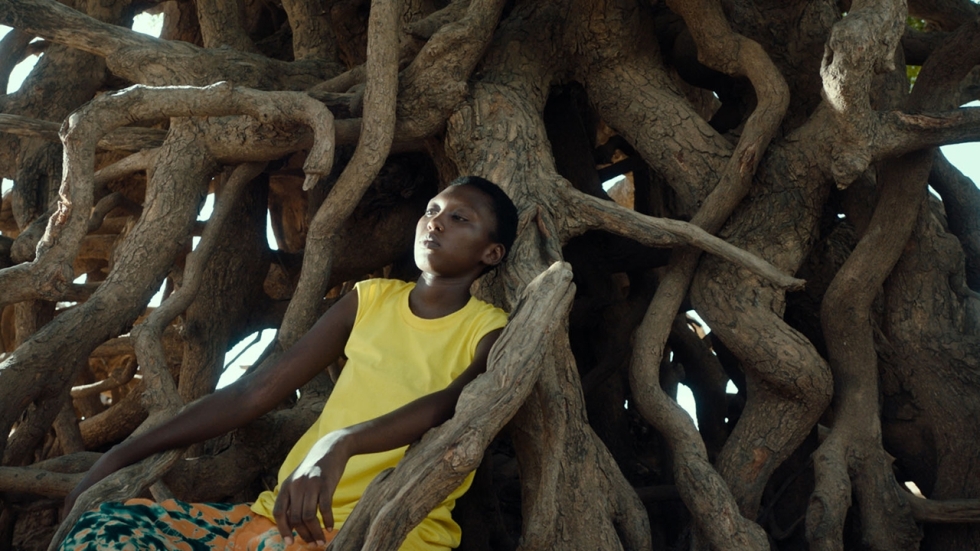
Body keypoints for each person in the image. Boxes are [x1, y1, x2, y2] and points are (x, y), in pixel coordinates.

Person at [60, 175, 520, 551]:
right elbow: (252, 393)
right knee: (106, 532)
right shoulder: (370, 300)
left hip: (387, 533)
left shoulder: (490, 330)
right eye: (432, 211)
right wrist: (120, 454)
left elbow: (448, 406)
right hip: (276, 524)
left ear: (491, 253)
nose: (436, 223)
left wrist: (341, 443)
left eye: (459, 218)